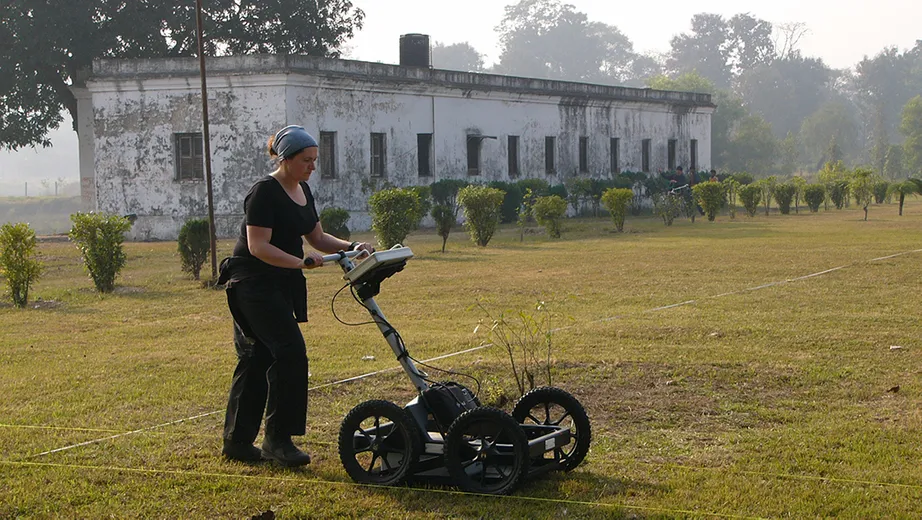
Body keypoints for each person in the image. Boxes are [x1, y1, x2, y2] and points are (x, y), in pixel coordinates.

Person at [217, 125, 373, 466]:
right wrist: (299, 262)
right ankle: (278, 441)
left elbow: (316, 237)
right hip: (251, 284)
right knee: (290, 352)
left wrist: (352, 247)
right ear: (285, 159)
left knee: (257, 357)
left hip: (278, 283)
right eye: (306, 160)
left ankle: (237, 442)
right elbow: (258, 247)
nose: (312, 167)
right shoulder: (264, 192)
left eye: (315, 160)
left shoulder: (302, 190)